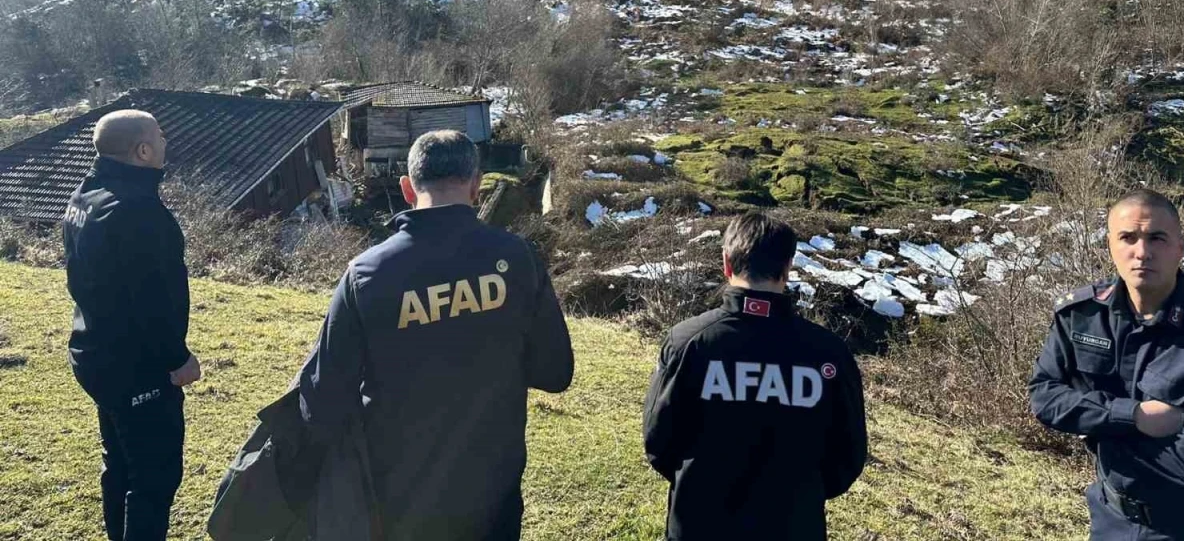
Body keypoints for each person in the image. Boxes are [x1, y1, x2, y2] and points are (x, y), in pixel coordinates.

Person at [297, 129, 574, 541]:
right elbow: (555, 372)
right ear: (477, 186)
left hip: (395, 501)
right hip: (493, 494)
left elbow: (323, 405)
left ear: (407, 188)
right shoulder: (517, 259)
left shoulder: (366, 274)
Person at [1029, 189, 1184, 540]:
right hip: (1111, 520)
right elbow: (1044, 396)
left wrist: (1095, 429)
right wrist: (1134, 416)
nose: (1142, 252)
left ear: (1180, 247)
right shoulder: (1081, 317)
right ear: (1110, 244)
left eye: (1157, 237)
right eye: (1128, 237)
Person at [642, 211, 867, 540]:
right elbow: (847, 456)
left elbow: (659, 442)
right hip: (793, 527)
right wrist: (798, 496)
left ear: (726, 263)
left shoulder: (686, 342)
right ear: (787, 267)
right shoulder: (829, 354)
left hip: (699, 524)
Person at [63, 109, 201, 541]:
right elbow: (153, 302)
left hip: (95, 356)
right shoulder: (140, 212)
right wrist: (178, 359)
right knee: (153, 479)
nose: (165, 142)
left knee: (120, 465)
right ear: (143, 150)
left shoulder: (86, 197)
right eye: (159, 136)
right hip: (138, 369)